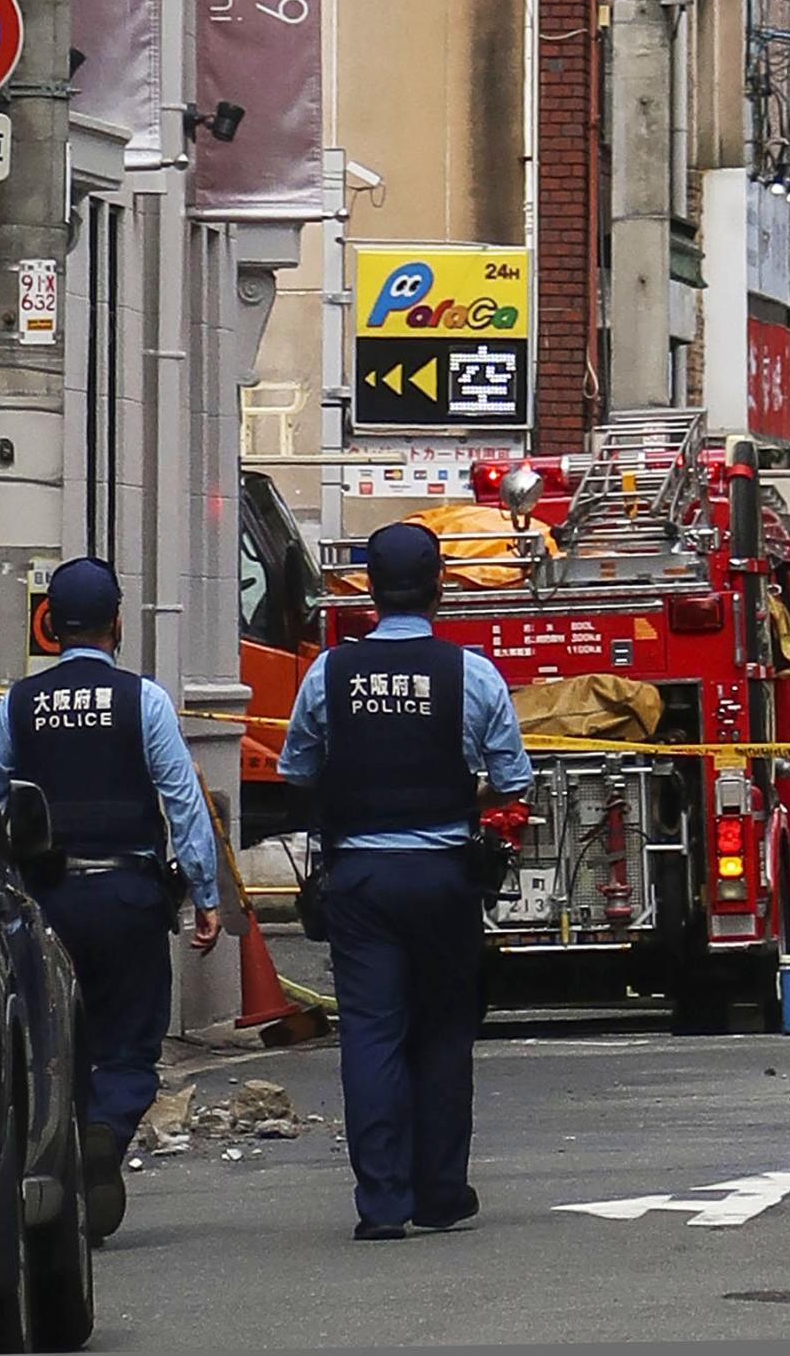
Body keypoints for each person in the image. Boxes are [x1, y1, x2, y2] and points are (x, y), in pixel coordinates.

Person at [276, 519, 534, 1240]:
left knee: (370, 1032)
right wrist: (456, 797)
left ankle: (382, 1203)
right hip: (443, 875)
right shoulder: (472, 672)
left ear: (367, 589)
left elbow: (296, 770)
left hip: (359, 876)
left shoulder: (327, 672)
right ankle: (441, 1193)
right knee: (445, 1031)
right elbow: (515, 779)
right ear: (439, 588)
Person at [0, 554, 221, 1242]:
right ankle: (106, 1133)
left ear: (49, 624)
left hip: (45, 900)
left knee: (55, 1041)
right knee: (129, 1036)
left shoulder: (17, 704)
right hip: (127, 895)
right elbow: (183, 800)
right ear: (118, 623)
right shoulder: (143, 701)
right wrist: (206, 894)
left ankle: (64, 1165)